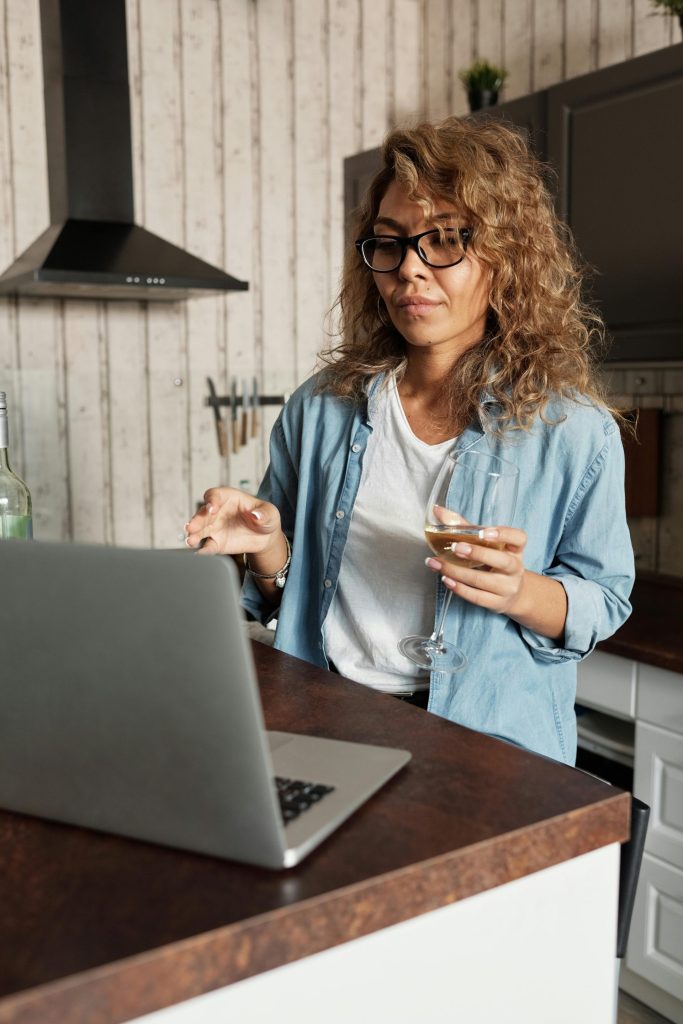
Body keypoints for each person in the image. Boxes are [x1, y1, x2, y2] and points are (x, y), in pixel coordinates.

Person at [185, 115, 634, 765]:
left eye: (445, 240)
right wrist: (266, 548)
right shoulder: (320, 408)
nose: (410, 270)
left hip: (488, 752)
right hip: (327, 719)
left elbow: (604, 600)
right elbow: (283, 592)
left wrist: (516, 591)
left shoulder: (573, 431)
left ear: (503, 258)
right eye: (389, 244)